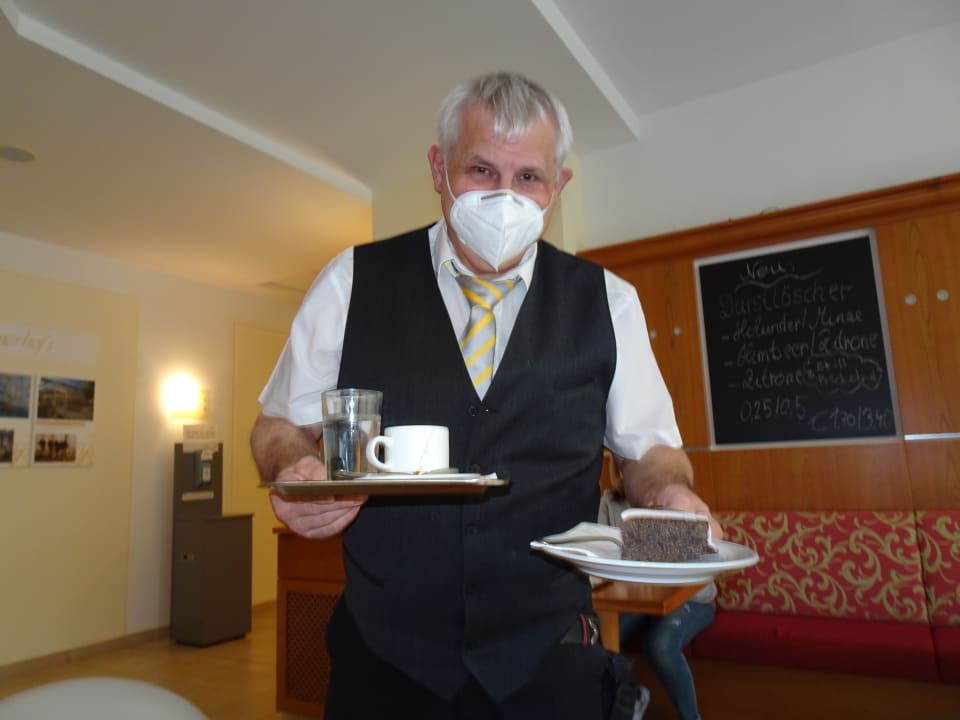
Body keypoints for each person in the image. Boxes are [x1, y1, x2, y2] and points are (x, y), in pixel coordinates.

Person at [251, 70, 722, 720]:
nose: (505, 196)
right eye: (481, 170)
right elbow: (278, 425)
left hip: (550, 663)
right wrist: (292, 468)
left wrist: (670, 494)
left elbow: (651, 453)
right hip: (382, 665)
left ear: (557, 187)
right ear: (439, 169)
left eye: (528, 177)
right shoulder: (351, 282)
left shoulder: (609, 302)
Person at [599, 459, 715, 720]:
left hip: (693, 598)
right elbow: (603, 552)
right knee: (602, 638)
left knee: (660, 645)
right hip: (640, 602)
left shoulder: (673, 498)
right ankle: (630, 700)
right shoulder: (610, 503)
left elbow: (701, 555)